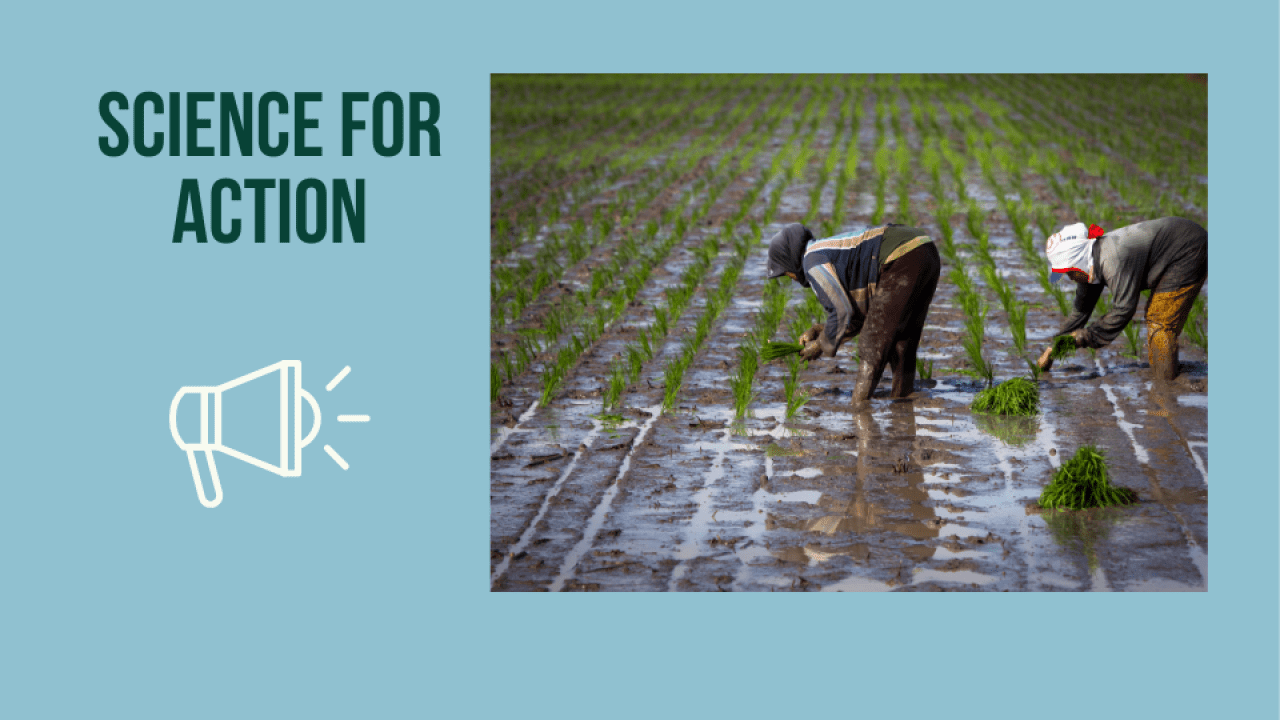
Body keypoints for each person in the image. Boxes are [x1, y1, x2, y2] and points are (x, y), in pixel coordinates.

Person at [767, 222, 940, 405]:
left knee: (871, 342)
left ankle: (859, 406)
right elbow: (858, 316)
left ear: (790, 260)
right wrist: (820, 330)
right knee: (901, 339)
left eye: (786, 273)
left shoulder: (812, 261)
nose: (791, 279)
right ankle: (902, 398)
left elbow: (842, 311)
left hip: (901, 255)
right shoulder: (827, 252)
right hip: (923, 250)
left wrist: (820, 345)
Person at [1035, 217, 1207, 381]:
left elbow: (1124, 310)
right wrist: (1054, 346)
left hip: (1188, 248)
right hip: (1176, 244)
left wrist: (1084, 337)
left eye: (1068, 272)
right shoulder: (1090, 262)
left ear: (1078, 263)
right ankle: (1166, 373)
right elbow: (1081, 311)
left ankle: (1167, 384)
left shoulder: (1112, 260)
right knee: (1157, 319)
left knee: (1160, 320)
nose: (1070, 278)